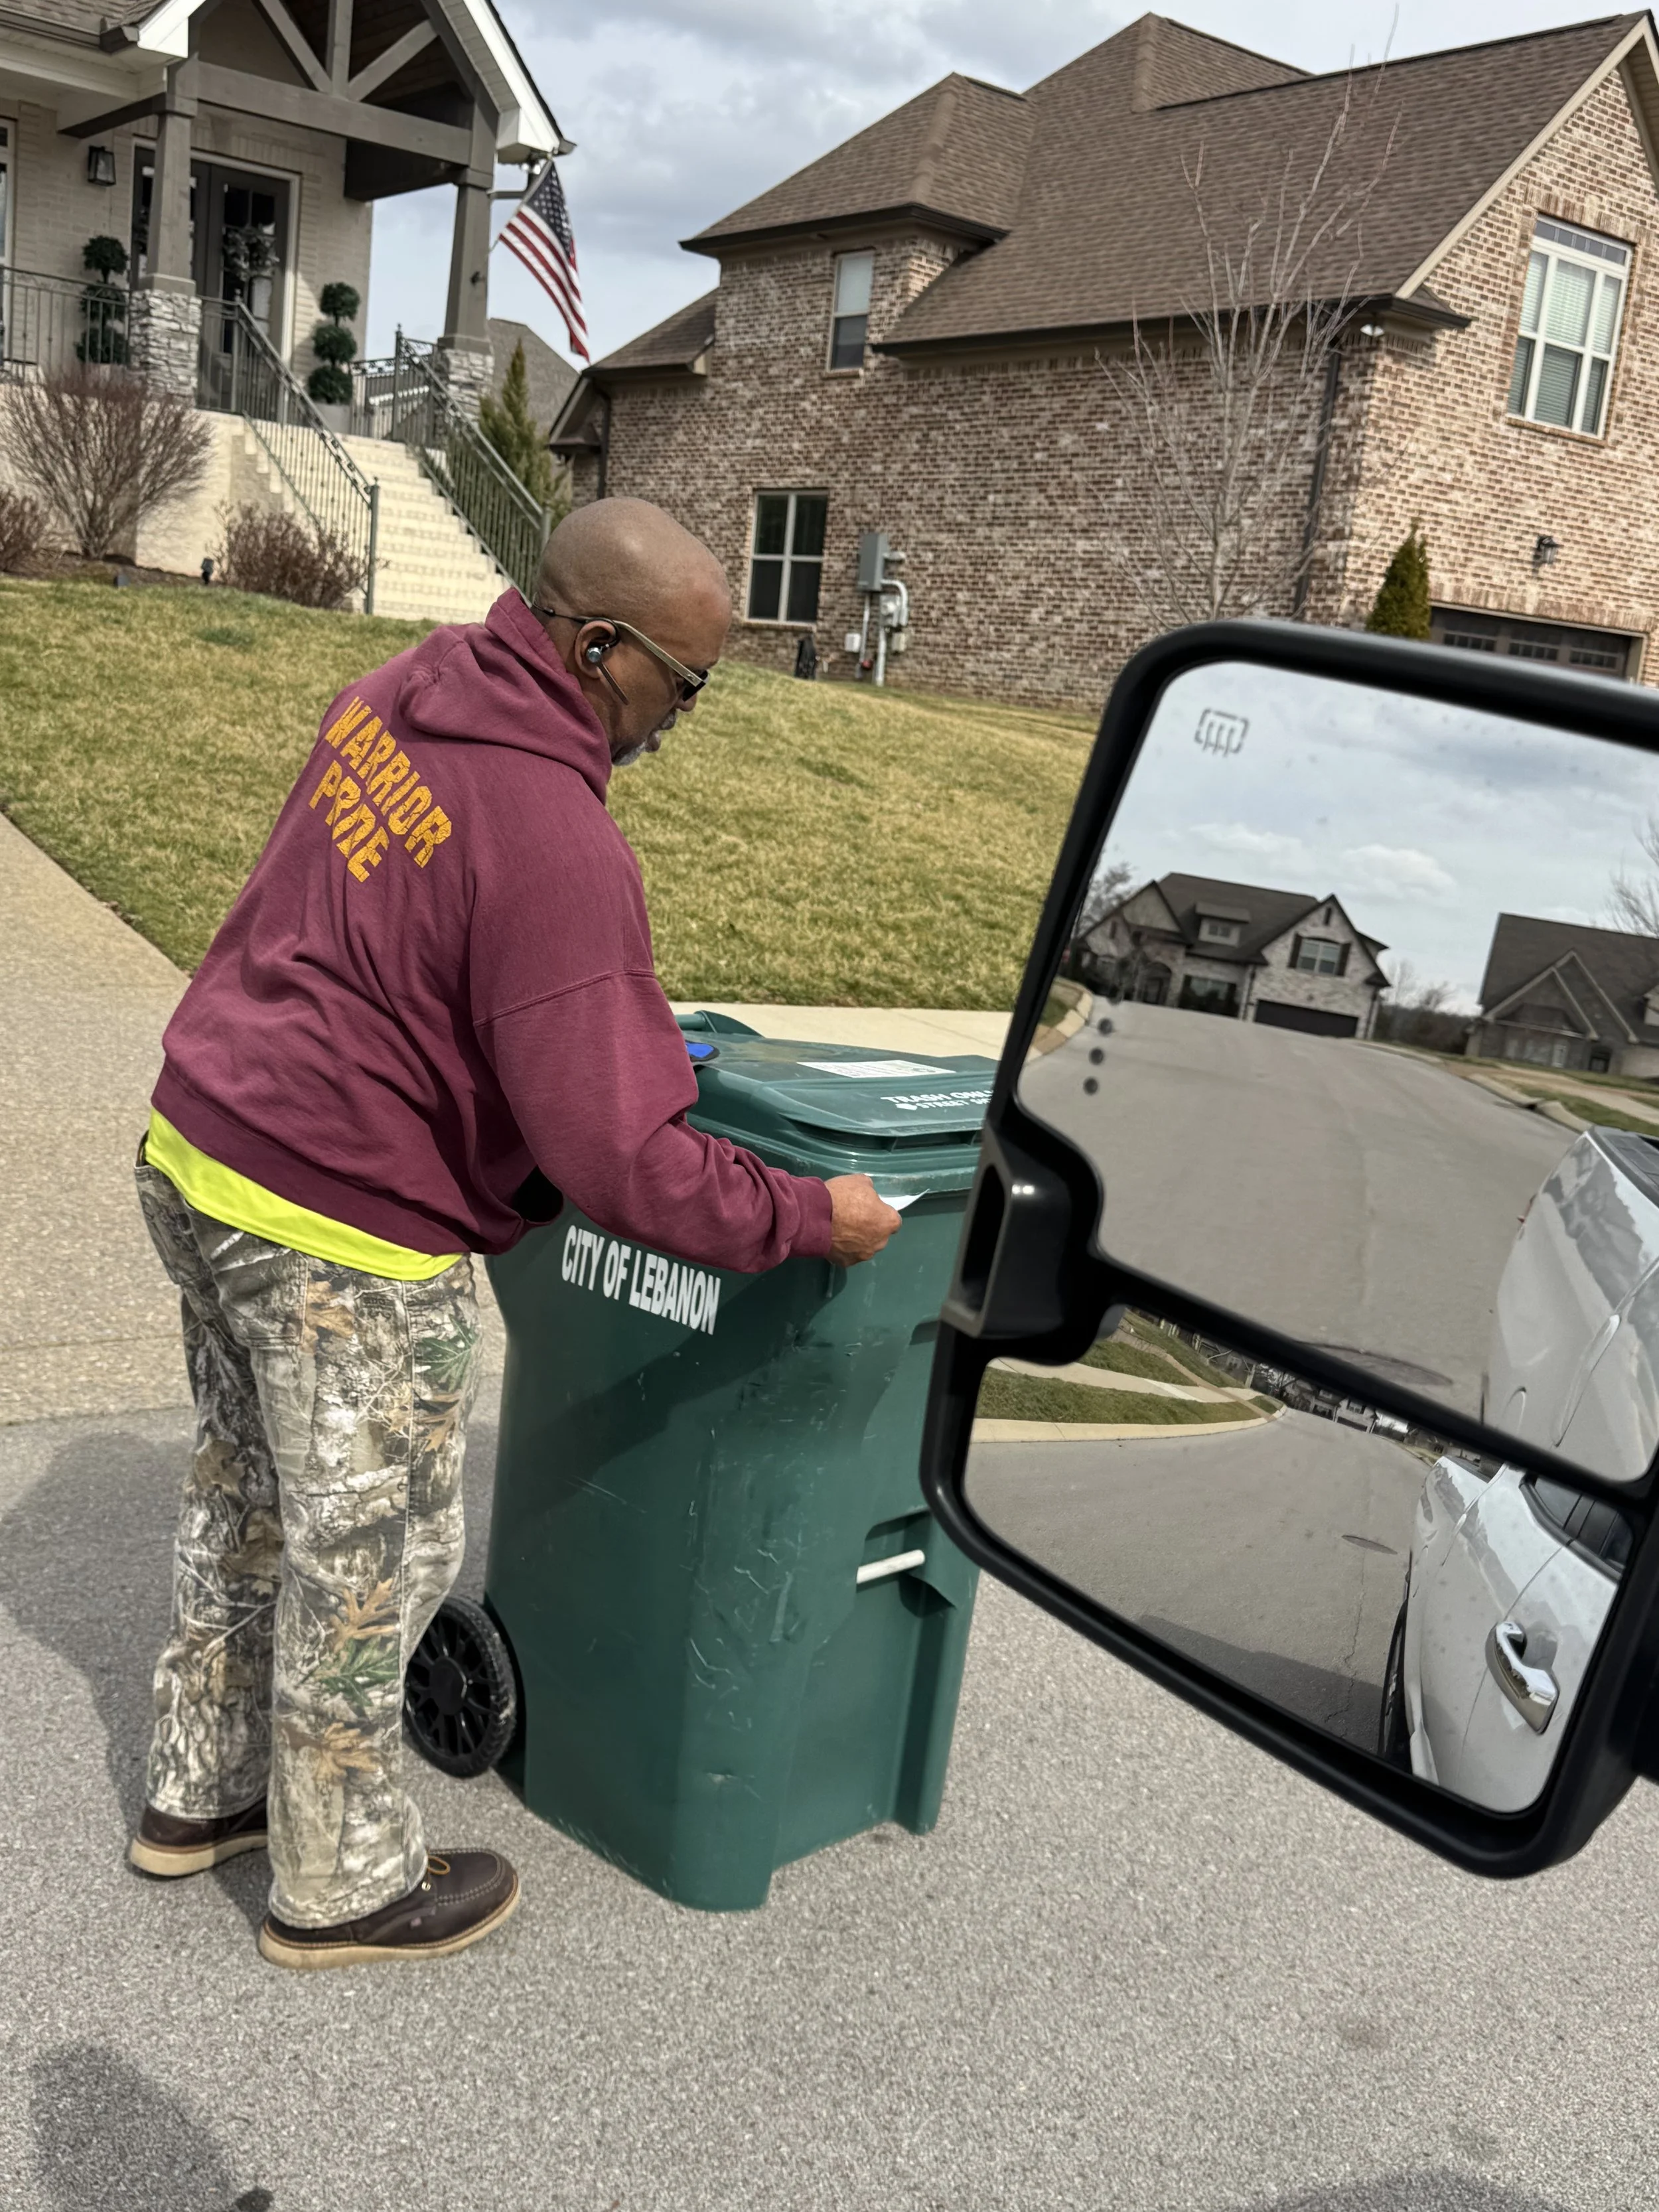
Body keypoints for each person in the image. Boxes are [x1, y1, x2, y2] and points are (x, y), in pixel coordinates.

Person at [127, 498, 902, 1970]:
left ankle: (196, 1792)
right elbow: (620, 1163)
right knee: (371, 1561)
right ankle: (342, 1883)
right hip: (334, 1233)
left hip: (198, 1149)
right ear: (597, 645)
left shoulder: (395, 696)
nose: (682, 719)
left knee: (242, 1502)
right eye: (683, 684)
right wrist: (809, 1214)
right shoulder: (556, 841)